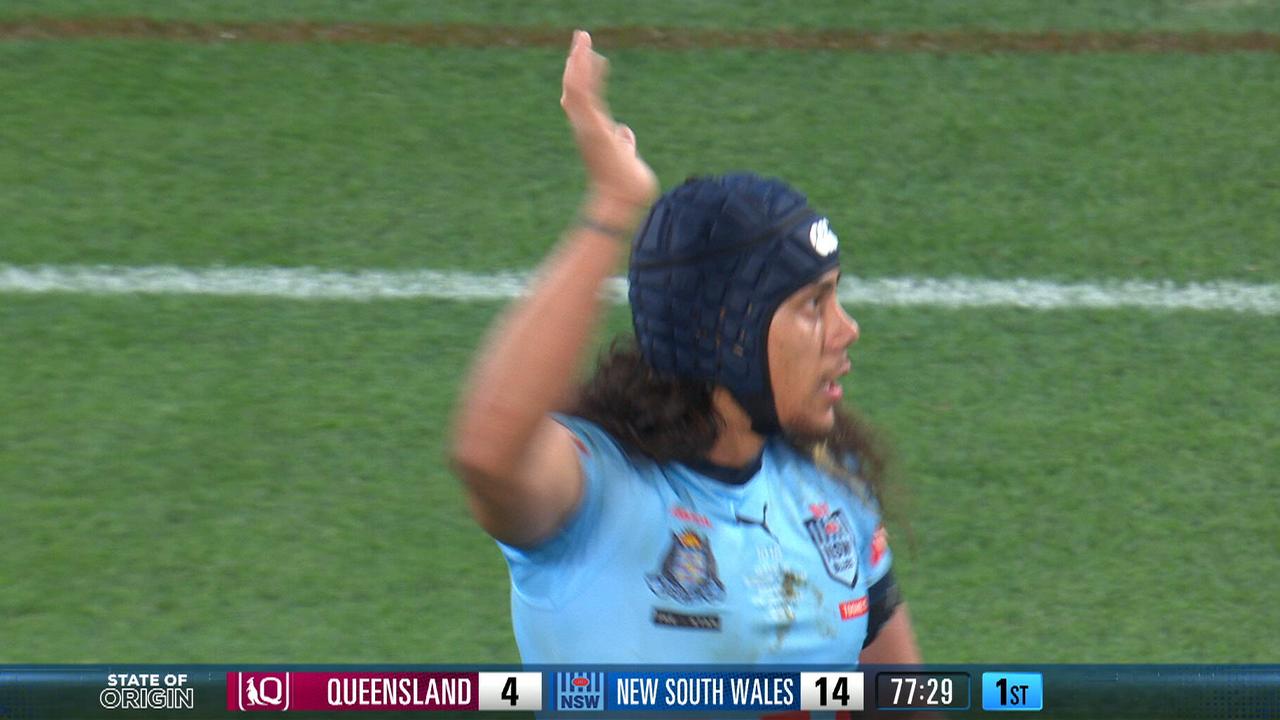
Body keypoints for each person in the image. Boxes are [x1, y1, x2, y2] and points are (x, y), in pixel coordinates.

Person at [451, 30, 922, 665]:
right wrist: (614, 205)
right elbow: (486, 454)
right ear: (726, 333)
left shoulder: (830, 488)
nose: (846, 330)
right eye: (813, 305)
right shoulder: (595, 495)